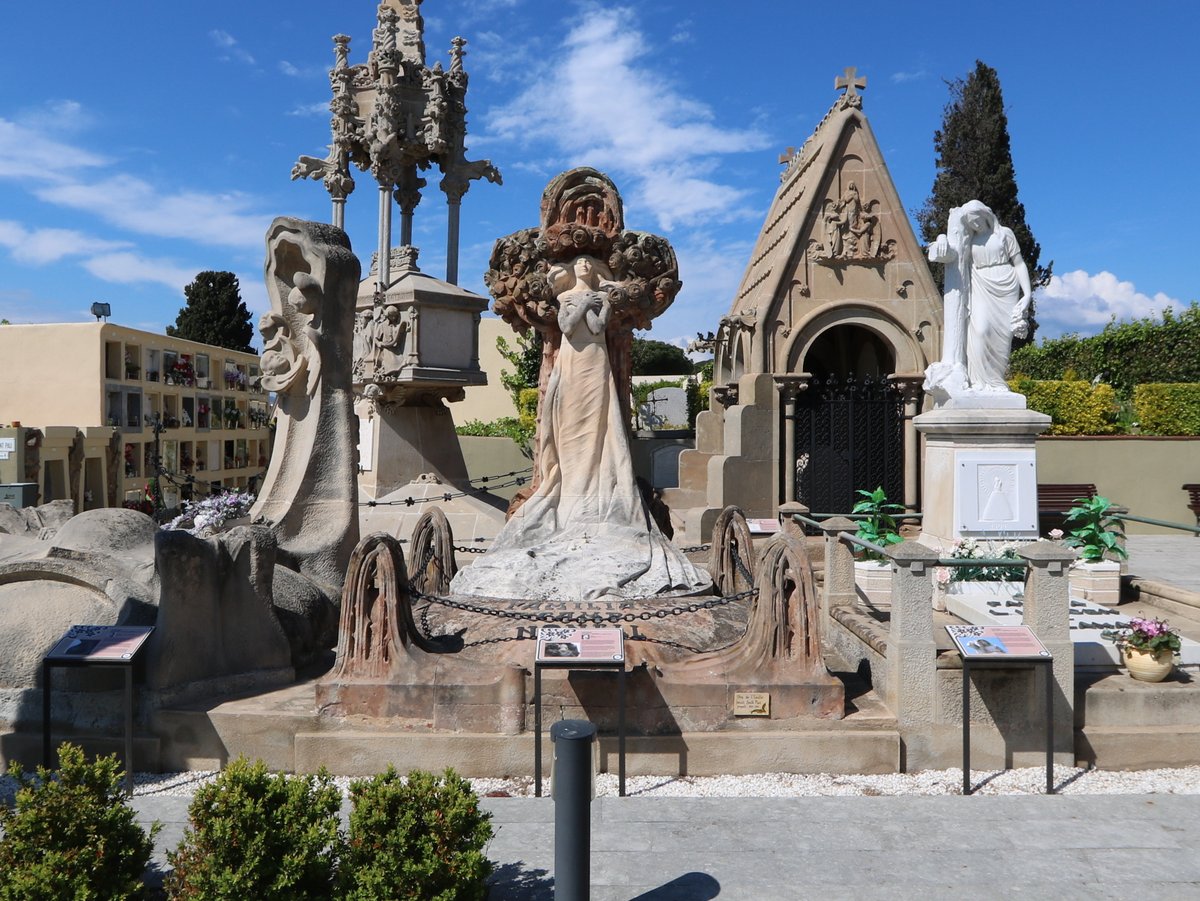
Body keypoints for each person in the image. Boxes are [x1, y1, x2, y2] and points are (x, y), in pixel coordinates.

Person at [450, 255, 710, 602]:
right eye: (581, 264)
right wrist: (582, 302)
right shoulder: (564, 298)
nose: (585, 267)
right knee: (571, 427)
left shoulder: (600, 298)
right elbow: (568, 326)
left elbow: (599, 326)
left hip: (596, 362)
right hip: (572, 364)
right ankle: (570, 488)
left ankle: (599, 491)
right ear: (573, 271)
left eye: (590, 265)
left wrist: (595, 303)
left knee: (601, 423)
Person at [925, 200, 1032, 395]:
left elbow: (1019, 264)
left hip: (1006, 285)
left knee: (1003, 338)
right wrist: (941, 237)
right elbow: (952, 249)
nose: (974, 225)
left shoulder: (1004, 234)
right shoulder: (969, 239)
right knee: (981, 331)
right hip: (980, 284)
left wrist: (1027, 295)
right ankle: (979, 382)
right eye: (970, 222)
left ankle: (997, 383)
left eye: (976, 220)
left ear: (985, 215)